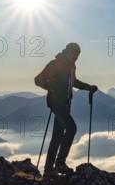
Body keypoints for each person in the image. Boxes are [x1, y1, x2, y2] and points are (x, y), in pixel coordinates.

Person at [34, 42, 98, 176]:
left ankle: (48, 171)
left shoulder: (70, 66)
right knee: (71, 129)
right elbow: (38, 80)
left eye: (78, 55)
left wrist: (88, 87)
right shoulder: (55, 64)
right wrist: (50, 86)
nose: (76, 58)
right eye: (75, 55)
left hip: (66, 104)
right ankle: (60, 164)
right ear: (67, 52)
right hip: (56, 103)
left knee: (57, 137)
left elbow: (73, 82)